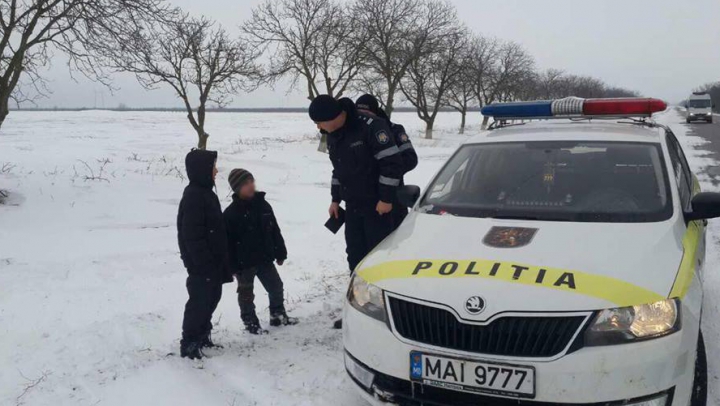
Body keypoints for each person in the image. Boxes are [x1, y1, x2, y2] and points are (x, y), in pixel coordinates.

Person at [309, 95, 404, 273]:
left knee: (378, 254)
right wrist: (335, 199)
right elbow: (338, 170)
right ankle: (358, 293)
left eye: (319, 122)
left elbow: (391, 163)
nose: (318, 127)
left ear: (332, 117)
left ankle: (381, 295)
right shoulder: (333, 135)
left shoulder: (371, 126)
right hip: (353, 205)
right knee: (354, 253)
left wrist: (386, 198)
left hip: (378, 206)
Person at [224, 168, 298, 335]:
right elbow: (227, 245)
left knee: (276, 287)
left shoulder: (263, 205)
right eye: (245, 184)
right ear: (236, 188)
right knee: (246, 295)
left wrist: (280, 252)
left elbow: (274, 230)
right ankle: (250, 323)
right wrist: (233, 266)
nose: (250, 186)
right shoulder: (230, 214)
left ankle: (278, 314)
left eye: (251, 181)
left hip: (264, 258)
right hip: (244, 264)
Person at [177, 149, 232, 360]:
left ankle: (202, 335)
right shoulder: (193, 196)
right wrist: (203, 262)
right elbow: (192, 235)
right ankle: (189, 342)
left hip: (212, 262)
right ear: (202, 170)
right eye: (212, 167)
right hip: (201, 265)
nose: (216, 171)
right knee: (199, 302)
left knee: (212, 298)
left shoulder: (205, 192)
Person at [355, 94, 418, 225]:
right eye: (359, 112)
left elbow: (411, 159)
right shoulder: (355, 133)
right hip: (364, 199)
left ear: (375, 112)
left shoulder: (394, 130)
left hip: (393, 196)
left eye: (367, 112)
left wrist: (387, 170)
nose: (363, 116)